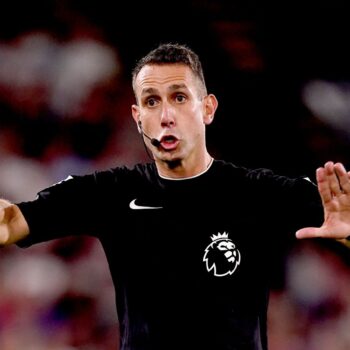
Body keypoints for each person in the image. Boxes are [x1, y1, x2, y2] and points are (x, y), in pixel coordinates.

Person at [1, 42, 350, 350]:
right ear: (138, 118)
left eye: (179, 97)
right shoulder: (110, 193)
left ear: (208, 108)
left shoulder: (258, 191)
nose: (166, 116)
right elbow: (13, 220)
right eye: (152, 102)